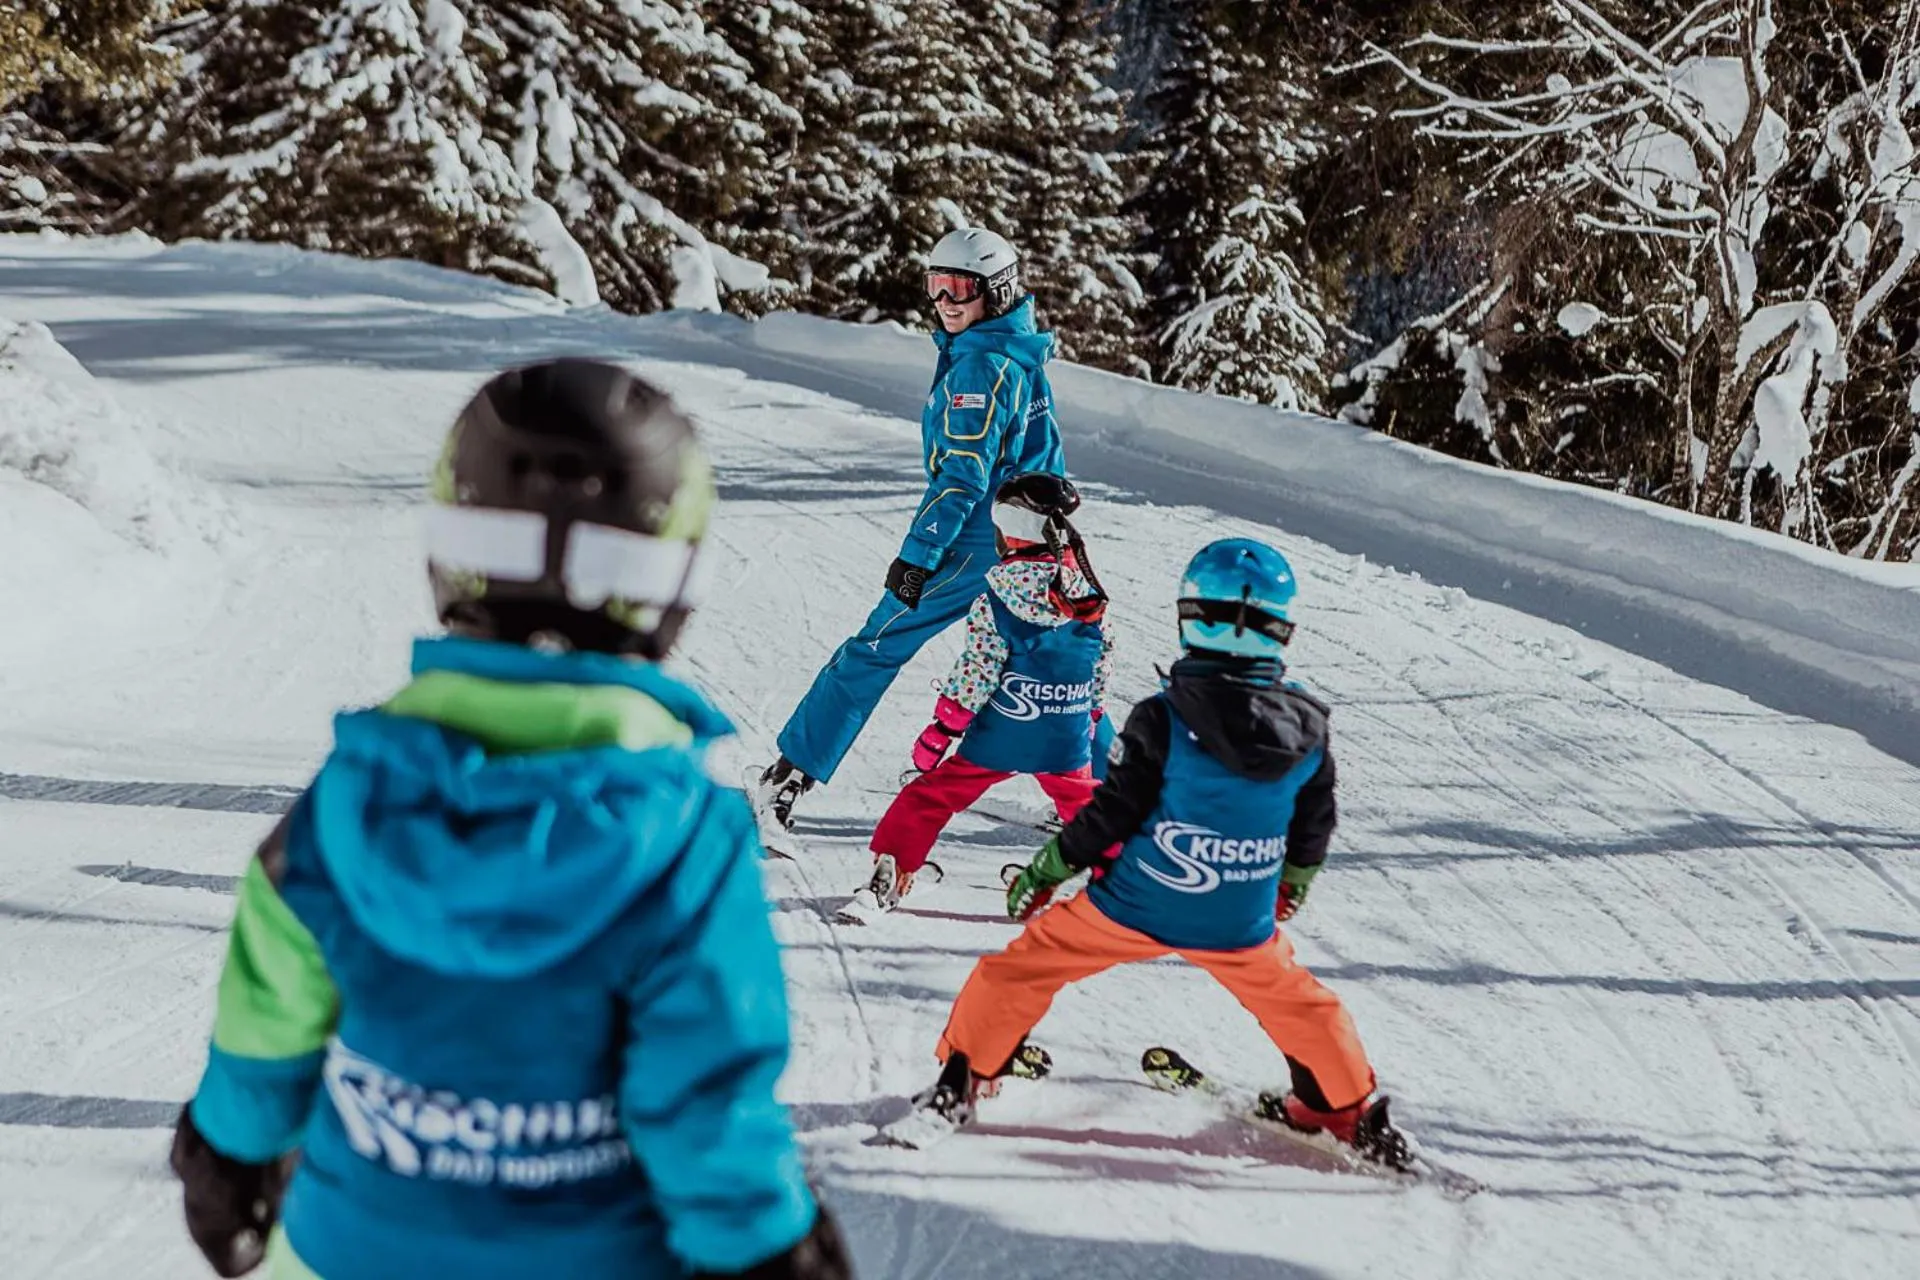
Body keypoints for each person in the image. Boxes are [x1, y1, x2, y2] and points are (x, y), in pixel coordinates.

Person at [167, 361, 850, 1280]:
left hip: (348, 1251)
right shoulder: (684, 841)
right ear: (669, 583)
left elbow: (265, 1024)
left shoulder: (344, 805)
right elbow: (702, 1102)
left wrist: (228, 1158)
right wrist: (770, 1249)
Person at [909, 537, 1414, 1170]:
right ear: (1281, 628)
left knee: (1020, 970)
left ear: (1189, 618)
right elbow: (1316, 820)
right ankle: (1346, 1110)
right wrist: (1293, 882)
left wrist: (1049, 867)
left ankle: (966, 1074)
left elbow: (1112, 810)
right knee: (1301, 1004)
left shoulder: (1163, 716)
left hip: (1137, 902)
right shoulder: (1308, 727)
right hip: (1239, 916)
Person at [756, 227, 1112, 832]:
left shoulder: (980, 367)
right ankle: (1110, 801)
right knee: (1055, 660)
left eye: (961, 289)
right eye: (935, 287)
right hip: (1041, 541)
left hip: (976, 541)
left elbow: (961, 481)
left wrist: (918, 558)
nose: (946, 303)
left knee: (876, 646)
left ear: (996, 293)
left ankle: (788, 777)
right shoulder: (1020, 352)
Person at [851, 473, 1112, 914]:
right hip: (1066, 733)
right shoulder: (1090, 596)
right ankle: (1124, 883)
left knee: (930, 796)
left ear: (1008, 530)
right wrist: (1090, 714)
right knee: (1091, 808)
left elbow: (977, 671)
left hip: (1002, 736)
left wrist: (942, 728)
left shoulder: (996, 599)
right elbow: (1101, 661)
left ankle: (892, 867)